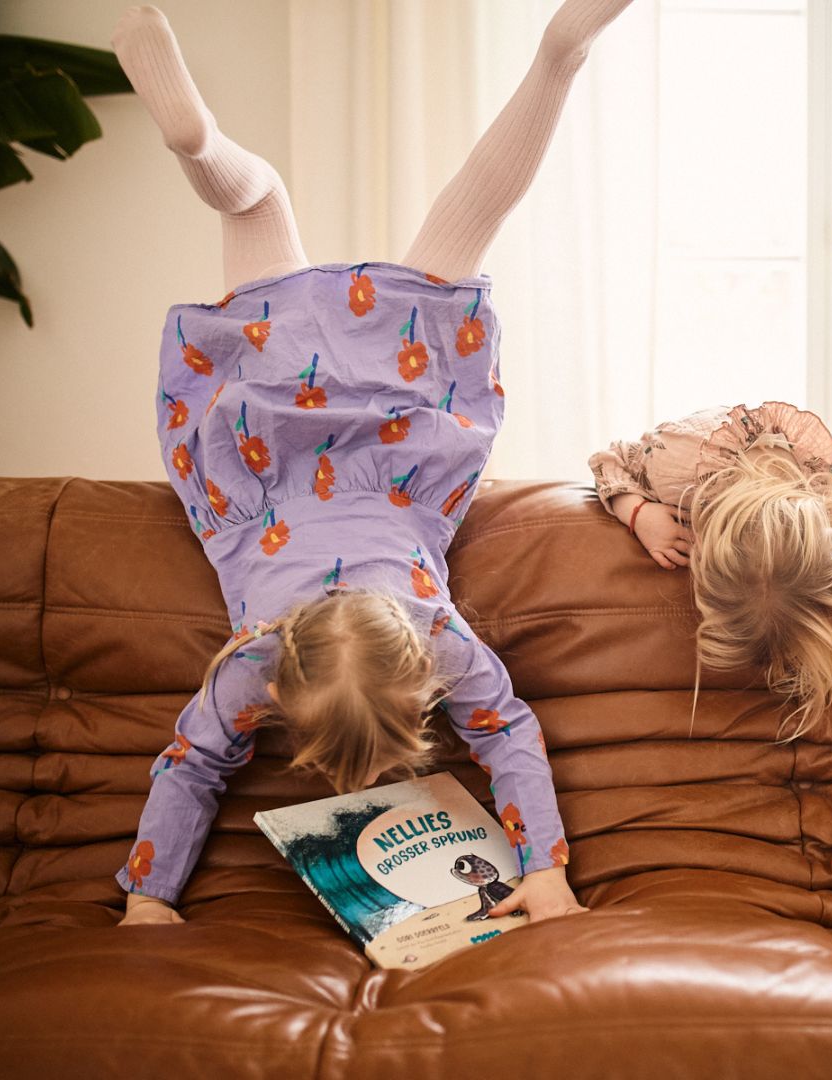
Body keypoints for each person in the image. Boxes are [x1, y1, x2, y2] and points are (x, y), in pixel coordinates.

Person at [113, 0, 634, 927]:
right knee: (262, 200)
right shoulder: (279, 659)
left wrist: (153, 899)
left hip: (399, 429)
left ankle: (558, 55)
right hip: (275, 430)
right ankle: (203, 147)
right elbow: (504, 731)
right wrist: (543, 868)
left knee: (467, 217)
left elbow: (193, 767)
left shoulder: (336, 651)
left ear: (274, 694)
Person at [588, 402, 832, 746]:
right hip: (698, 446)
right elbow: (612, 458)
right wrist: (637, 512)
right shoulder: (670, 473)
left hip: (769, 457)